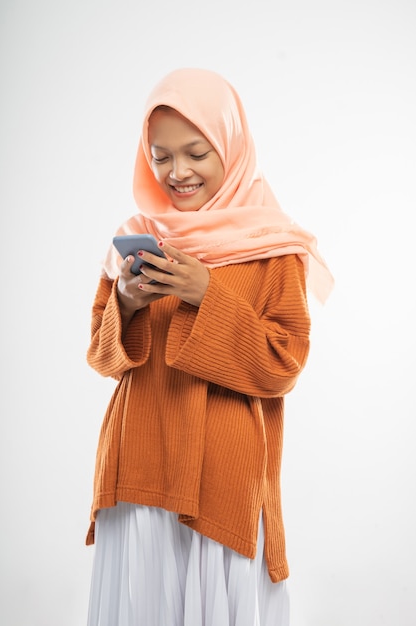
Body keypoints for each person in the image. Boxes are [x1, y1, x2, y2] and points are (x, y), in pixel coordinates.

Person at [85, 67, 334, 626]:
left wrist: (208, 294)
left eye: (196, 152)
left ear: (231, 145)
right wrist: (124, 302)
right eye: (160, 155)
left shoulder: (273, 247)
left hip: (221, 479)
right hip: (141, 466)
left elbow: (283, 363)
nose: (178, 172)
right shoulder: (137, 238)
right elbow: (101, 358)